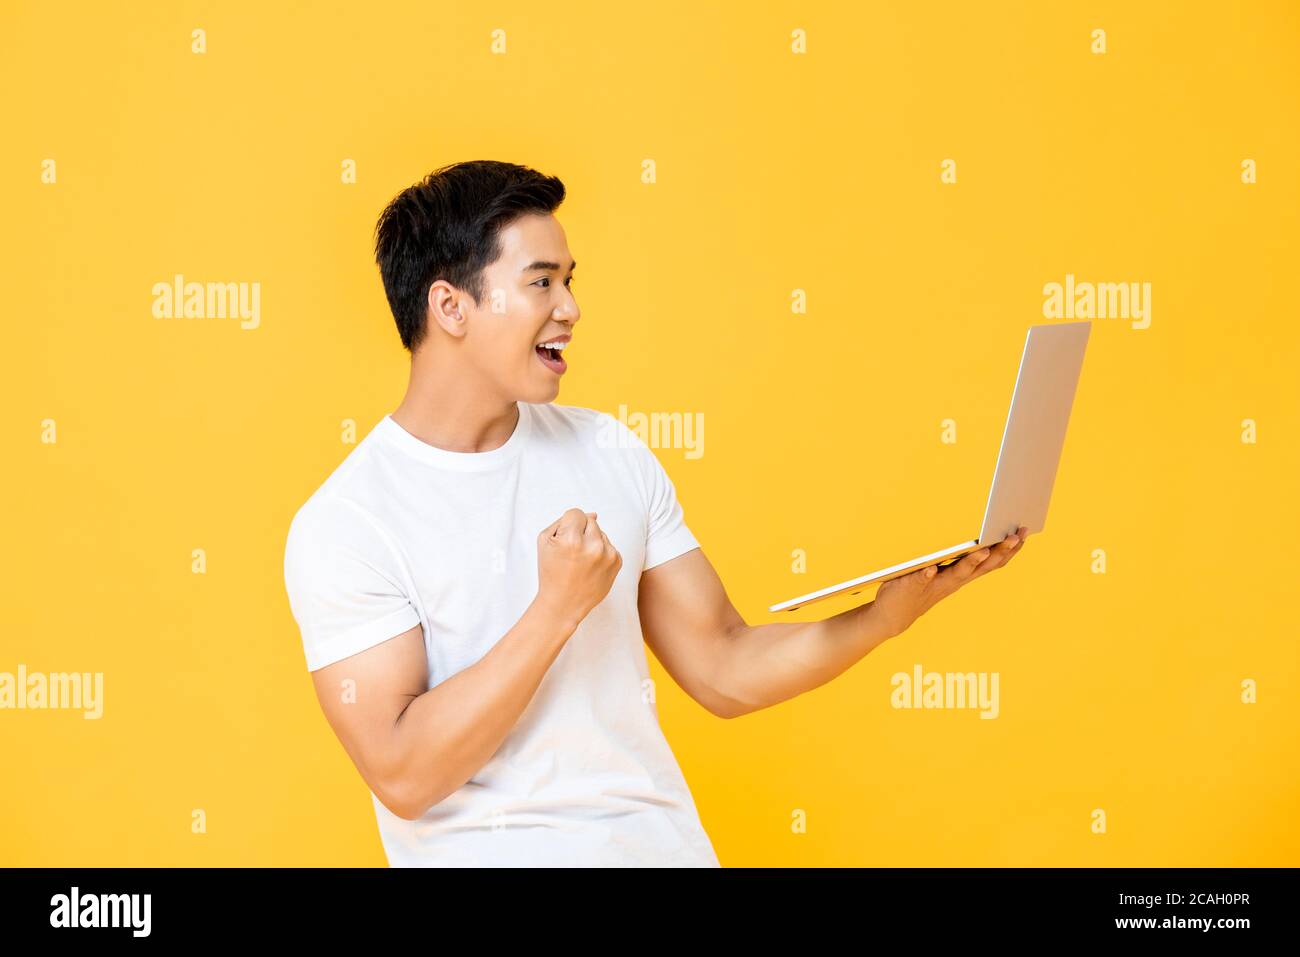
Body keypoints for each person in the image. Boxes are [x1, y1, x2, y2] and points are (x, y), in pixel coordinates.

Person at [282, 159, 1027, 867]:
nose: (570, 309)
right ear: (451, 305)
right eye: (540, 281)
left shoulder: (609, 450)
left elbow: (725, 668)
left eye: (569, 281)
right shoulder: (349, 522)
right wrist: (556, 609)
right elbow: (405, 774)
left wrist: (885, 616)